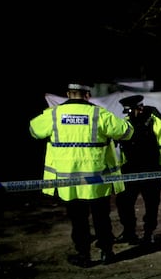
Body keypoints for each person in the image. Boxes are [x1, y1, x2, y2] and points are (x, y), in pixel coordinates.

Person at [29, 83, 134, 267]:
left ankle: (84, 256)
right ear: (87, 95)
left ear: (68, 94)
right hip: (97, 180)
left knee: (78, 220)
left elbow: (34, 131)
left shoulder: (53, 114)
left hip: (69, 181)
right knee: (101, 217)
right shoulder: (99, 114)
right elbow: (126, 132)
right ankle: (107, 253)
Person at [114, 94, 161, 246]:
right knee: (123, 202)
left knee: (151, 204)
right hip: (130, 169)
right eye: (127, 112)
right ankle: (129, 232)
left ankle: (149, 234)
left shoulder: (158, 121)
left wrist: (159, 165)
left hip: (151, 168)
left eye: (131, 111)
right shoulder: (126, 122)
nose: (128, 115)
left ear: (140, 108)